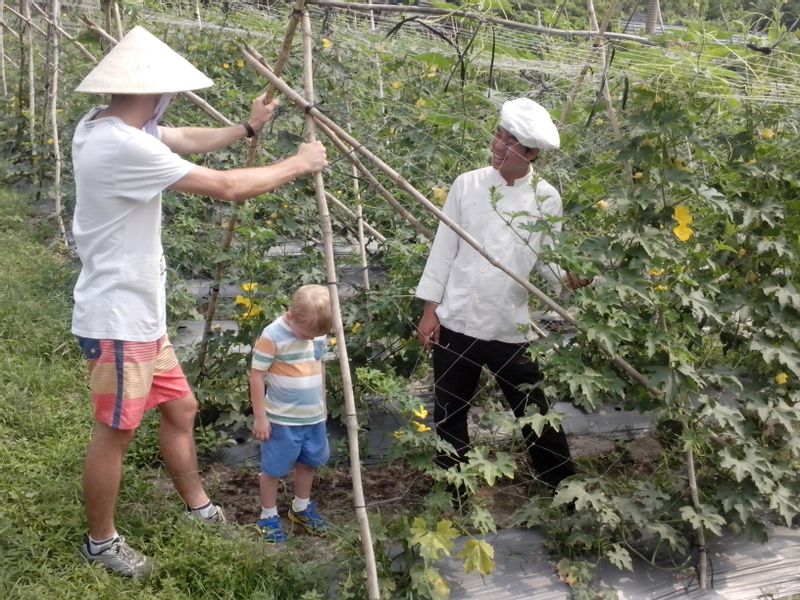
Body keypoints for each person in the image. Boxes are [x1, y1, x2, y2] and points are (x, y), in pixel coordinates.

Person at [72, 26, 328, 577]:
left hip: (141, 315)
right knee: (116, 430)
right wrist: (298, 163)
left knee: (181, 408)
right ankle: (101, 541)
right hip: (118, 318)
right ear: (154, 91)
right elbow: (228, 187)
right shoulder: (122, 146)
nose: (171, 103)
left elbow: (182, 137)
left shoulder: (102, 125)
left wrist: (246, 127)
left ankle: (198, 508)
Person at [416, 98, 585, 498]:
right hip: (456, 319)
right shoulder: (467, 184)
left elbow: (548, 259)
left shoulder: (546, 198)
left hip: (509, 325)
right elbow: (443, 250)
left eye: (509, 142)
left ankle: (564, 490)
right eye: (498, 134)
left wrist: (572, 279)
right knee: (449, 413)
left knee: (534, 411)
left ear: (531, 154)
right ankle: (454, 493)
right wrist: (430, 311)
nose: (497, 145)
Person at [249, 285, 332, 543]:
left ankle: (301, 507)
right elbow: (256, 375)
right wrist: (261, 417)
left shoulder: (316, 333)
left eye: (315, 335)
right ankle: (268, 516)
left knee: (309, 463)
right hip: (282, 421)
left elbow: (320, 366)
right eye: (306, 334)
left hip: (313, 418)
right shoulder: (273, 336)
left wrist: (323, 402)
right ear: (292, 317)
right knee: (273, 469)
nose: (310, 339)